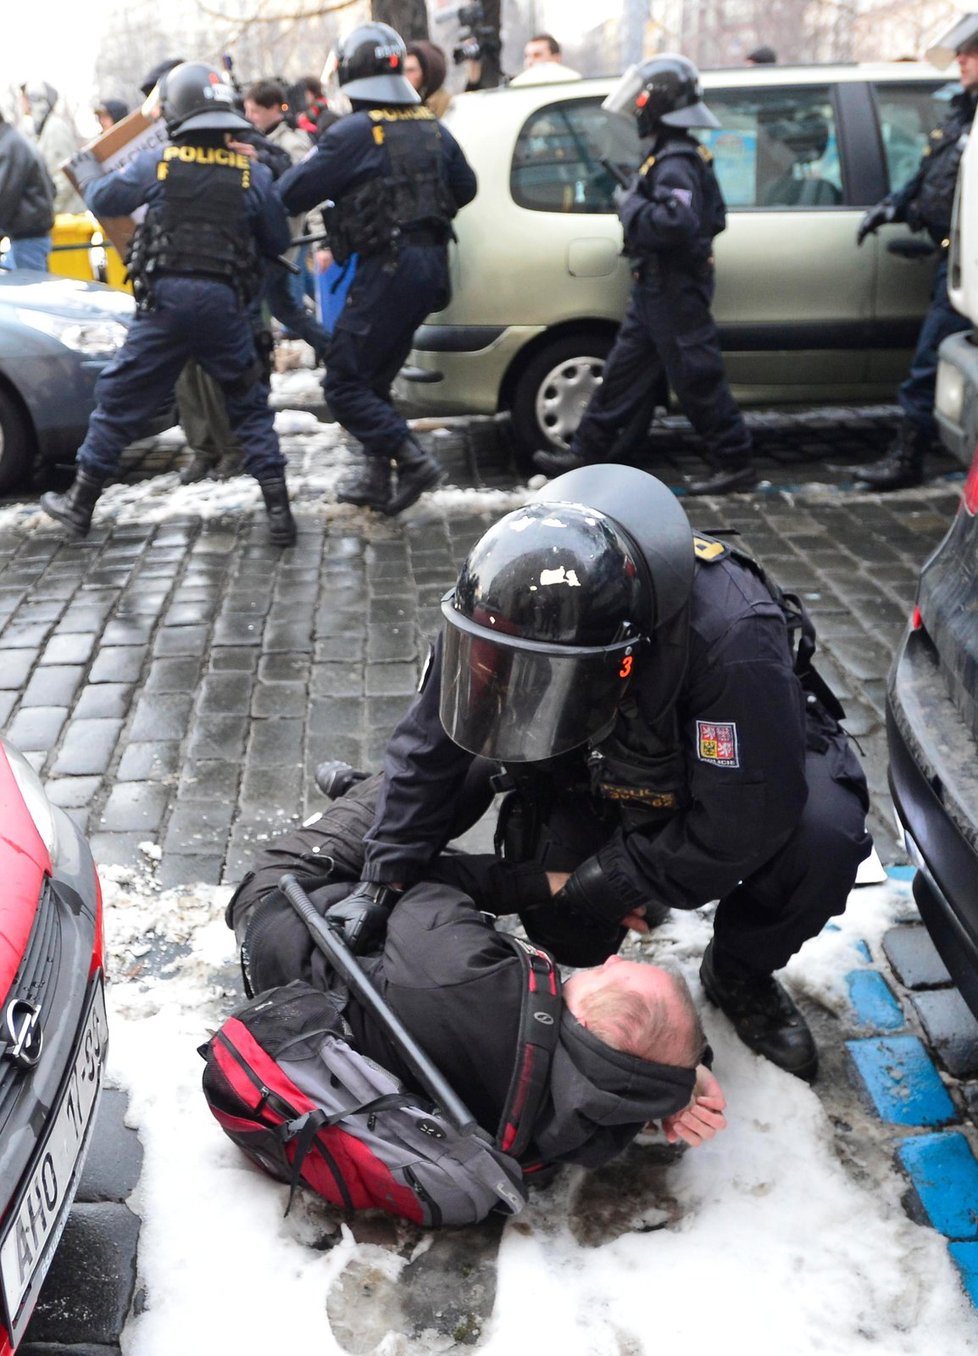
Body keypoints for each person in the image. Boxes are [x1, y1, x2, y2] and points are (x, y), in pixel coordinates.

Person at [319, 466, 871, 1084]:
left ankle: (740, 970)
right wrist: (383, 875)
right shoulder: (502, 597)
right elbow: (431, 744)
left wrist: (613, 879)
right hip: (596, 769)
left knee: (823, 837)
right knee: (571, 935)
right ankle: (637, 888)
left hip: (727, 767)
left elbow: (746, 816)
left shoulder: (731, 635)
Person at [226, 771, 726, 1168]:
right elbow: (637, 1072)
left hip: (287, 911)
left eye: (614, 976)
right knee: (439, 869)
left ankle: (367, 792)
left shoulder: (466, 976)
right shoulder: (588, 1124)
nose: (615, 958)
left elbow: (416, 879)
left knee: (456, 770)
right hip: (377, 989)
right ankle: (368, 791)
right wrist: (680, 1081)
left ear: (591, 1026)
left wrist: (559, 882)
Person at [39, 61, 297, 546]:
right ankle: (280, 514)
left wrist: (90, 167)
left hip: (165, 306)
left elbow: (104, 197)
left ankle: (79, 505)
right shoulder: (251, 173)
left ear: (174, 116)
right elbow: (277, 237)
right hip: (225, 307)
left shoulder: (156, 162)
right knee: (248, 404)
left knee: (118, 401)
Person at [533, 56, 757, 497]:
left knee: (696, 374)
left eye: (642, 101)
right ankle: (587, 451)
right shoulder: (670, 156)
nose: (636, 110)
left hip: (673, 287)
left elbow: (678, 224)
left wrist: (629, 203)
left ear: (658, 106)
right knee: (622, 374)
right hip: (656, 286)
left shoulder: (675, 160)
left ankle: (734, 461)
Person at [277, 22, 477, 516]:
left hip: (387, 268)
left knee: (343, 384)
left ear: (350, 75)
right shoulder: (430, 125)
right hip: (429, 268)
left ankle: (411, 460)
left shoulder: (353, 133)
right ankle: (375, 478)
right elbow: (466, 187)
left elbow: (291, 194)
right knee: (373, 381)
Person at [854, 17, 978, 491]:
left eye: (970, 51)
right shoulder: (962, 114)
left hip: (966, 263)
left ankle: (907, 458)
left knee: (930, 360)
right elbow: (930, 173)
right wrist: (893, 206)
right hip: (955, 260)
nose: (961, 60)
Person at [243, 79, 331, 366]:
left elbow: (310, 191)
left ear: (273, 110)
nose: (250, 118)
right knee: (284, 305)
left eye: (255, 111)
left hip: (286, 236)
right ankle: (333, 350)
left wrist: (321, 238)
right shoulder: (263, 140)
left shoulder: (291, 143)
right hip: (277, 236)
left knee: (269, 301)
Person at [0, 110, 55, 272]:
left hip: (28, 237)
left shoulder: (10, 146)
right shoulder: (14, 140)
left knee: (31, 293)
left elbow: (4, 195)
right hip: (28, 236)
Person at [20, 81, 84, 214]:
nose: (21, 102)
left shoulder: (54, 129)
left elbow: (64, 179)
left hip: (69, 219)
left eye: (25, 97)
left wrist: (46, 212)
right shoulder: (42, 131)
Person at [509, 32, 581, 86]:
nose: (529, 61)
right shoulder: (517, 86)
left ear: (556, 58)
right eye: (527, 56)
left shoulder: (573, 84)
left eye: (537, 55)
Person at [405, 41, 452, 118]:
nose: (404, 76)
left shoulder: (448, 107)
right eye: (402, 70)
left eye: (411, 70)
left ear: (427, 75)